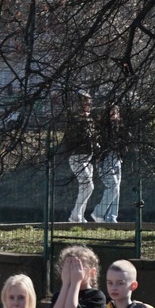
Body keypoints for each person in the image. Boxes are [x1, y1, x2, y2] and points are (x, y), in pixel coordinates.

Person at [62, 94, 98, 223]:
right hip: (76, 156)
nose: (88, 107)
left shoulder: (90, 121)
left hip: (88, 156)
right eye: (85, 104)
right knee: (88, 185)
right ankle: (75, 214)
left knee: (85, 187)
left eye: (89, 104)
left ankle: (79, 216)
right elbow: (71, 138)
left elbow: (93, 137)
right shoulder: (74, 120)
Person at [93, 101, 128, 223]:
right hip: (105, 158)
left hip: (117, 157)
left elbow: (124, 142)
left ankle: (111, 217)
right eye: (111, 112)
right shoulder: (103, 128)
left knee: (116, 187)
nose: (113, 115)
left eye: (115, 112)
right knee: (113, 185)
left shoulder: (120, 127)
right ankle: (99, 213)